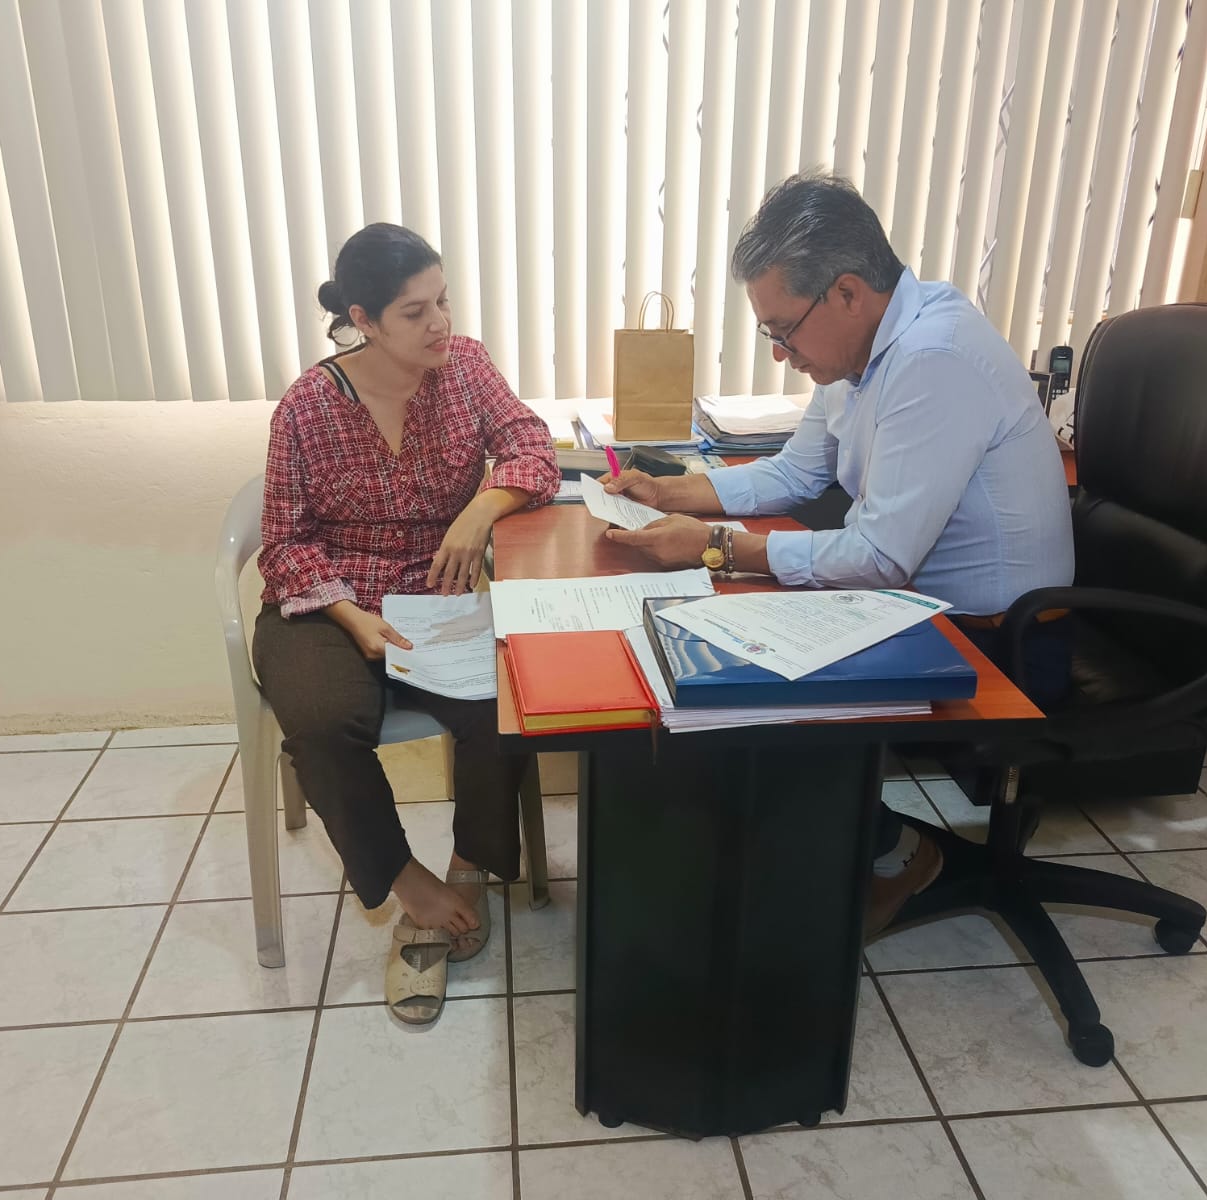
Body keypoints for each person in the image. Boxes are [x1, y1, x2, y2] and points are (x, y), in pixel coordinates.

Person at [601, 173, 1074, 935]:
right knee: (716, 649)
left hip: (996, 640)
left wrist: (715, 548)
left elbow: (880, 557)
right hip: (920, 606)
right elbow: (796, 473)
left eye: (783, 330)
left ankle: (899, 851)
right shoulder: (860, 351)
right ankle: (819, 846)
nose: (780, 353)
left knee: (745, 688)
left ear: (847, 292)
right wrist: (671, 493)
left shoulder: (933, 358)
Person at [254, 223, 558, 1023]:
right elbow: (283, 544)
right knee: (324, 723)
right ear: (364, 319)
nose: (439, 324)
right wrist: (350, 616)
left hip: (436, 592)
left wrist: (482, 509)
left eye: (443, 301)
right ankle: (407, 884)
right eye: (415, 312)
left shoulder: (466, 369)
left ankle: (468, 869)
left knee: (508, 701)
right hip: (325, 603)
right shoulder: (308, 407)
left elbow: (532, 448)